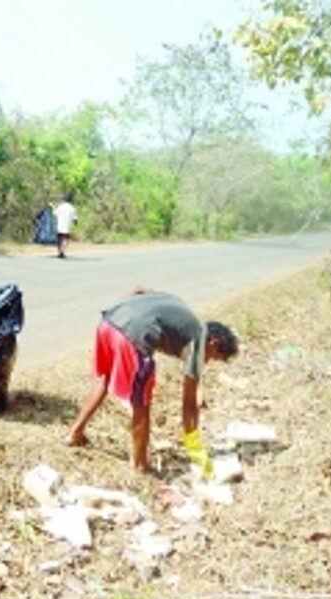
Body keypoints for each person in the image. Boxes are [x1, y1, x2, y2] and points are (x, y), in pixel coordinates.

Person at [67, 289, 239, 477]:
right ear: (213, 343)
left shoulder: (183, 313)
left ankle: (75, 433)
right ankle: (140, 466)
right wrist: (194, 447)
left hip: (109, 323)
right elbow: (188, 404)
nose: (207, 362)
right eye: (213, 357)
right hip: (135, 336)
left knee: (106, 379)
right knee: (142, 402)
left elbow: (138, 289)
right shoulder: (199, 341)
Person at [53, 194, 77, 258]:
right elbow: (75, 219)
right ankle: (62, 252)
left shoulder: (60, 206)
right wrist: (75, 224)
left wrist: (53, 207)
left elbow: (55, 214)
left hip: (59, 226)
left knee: (59, 240)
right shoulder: (72, 208)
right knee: (67, 240)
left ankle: (59, 252)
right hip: (67, 227)